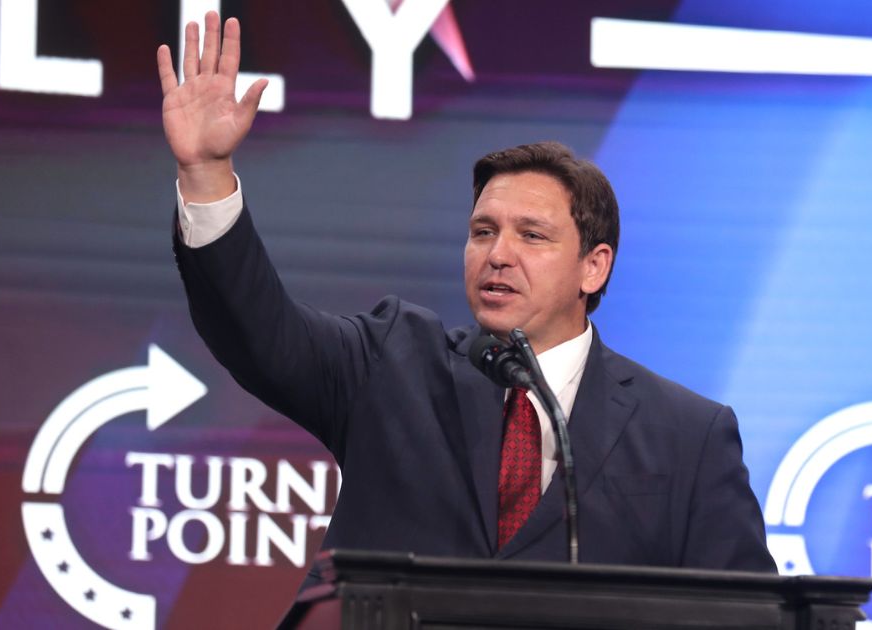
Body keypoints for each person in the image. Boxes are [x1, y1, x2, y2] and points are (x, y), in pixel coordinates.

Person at [159, 12, 776, 592]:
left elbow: (752, 613)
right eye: (483, 232)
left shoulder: (688, 435)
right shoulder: (391, 361)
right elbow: (259, 332)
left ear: (594, 266)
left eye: (531, 235)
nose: (497, 254)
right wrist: (207, 174)